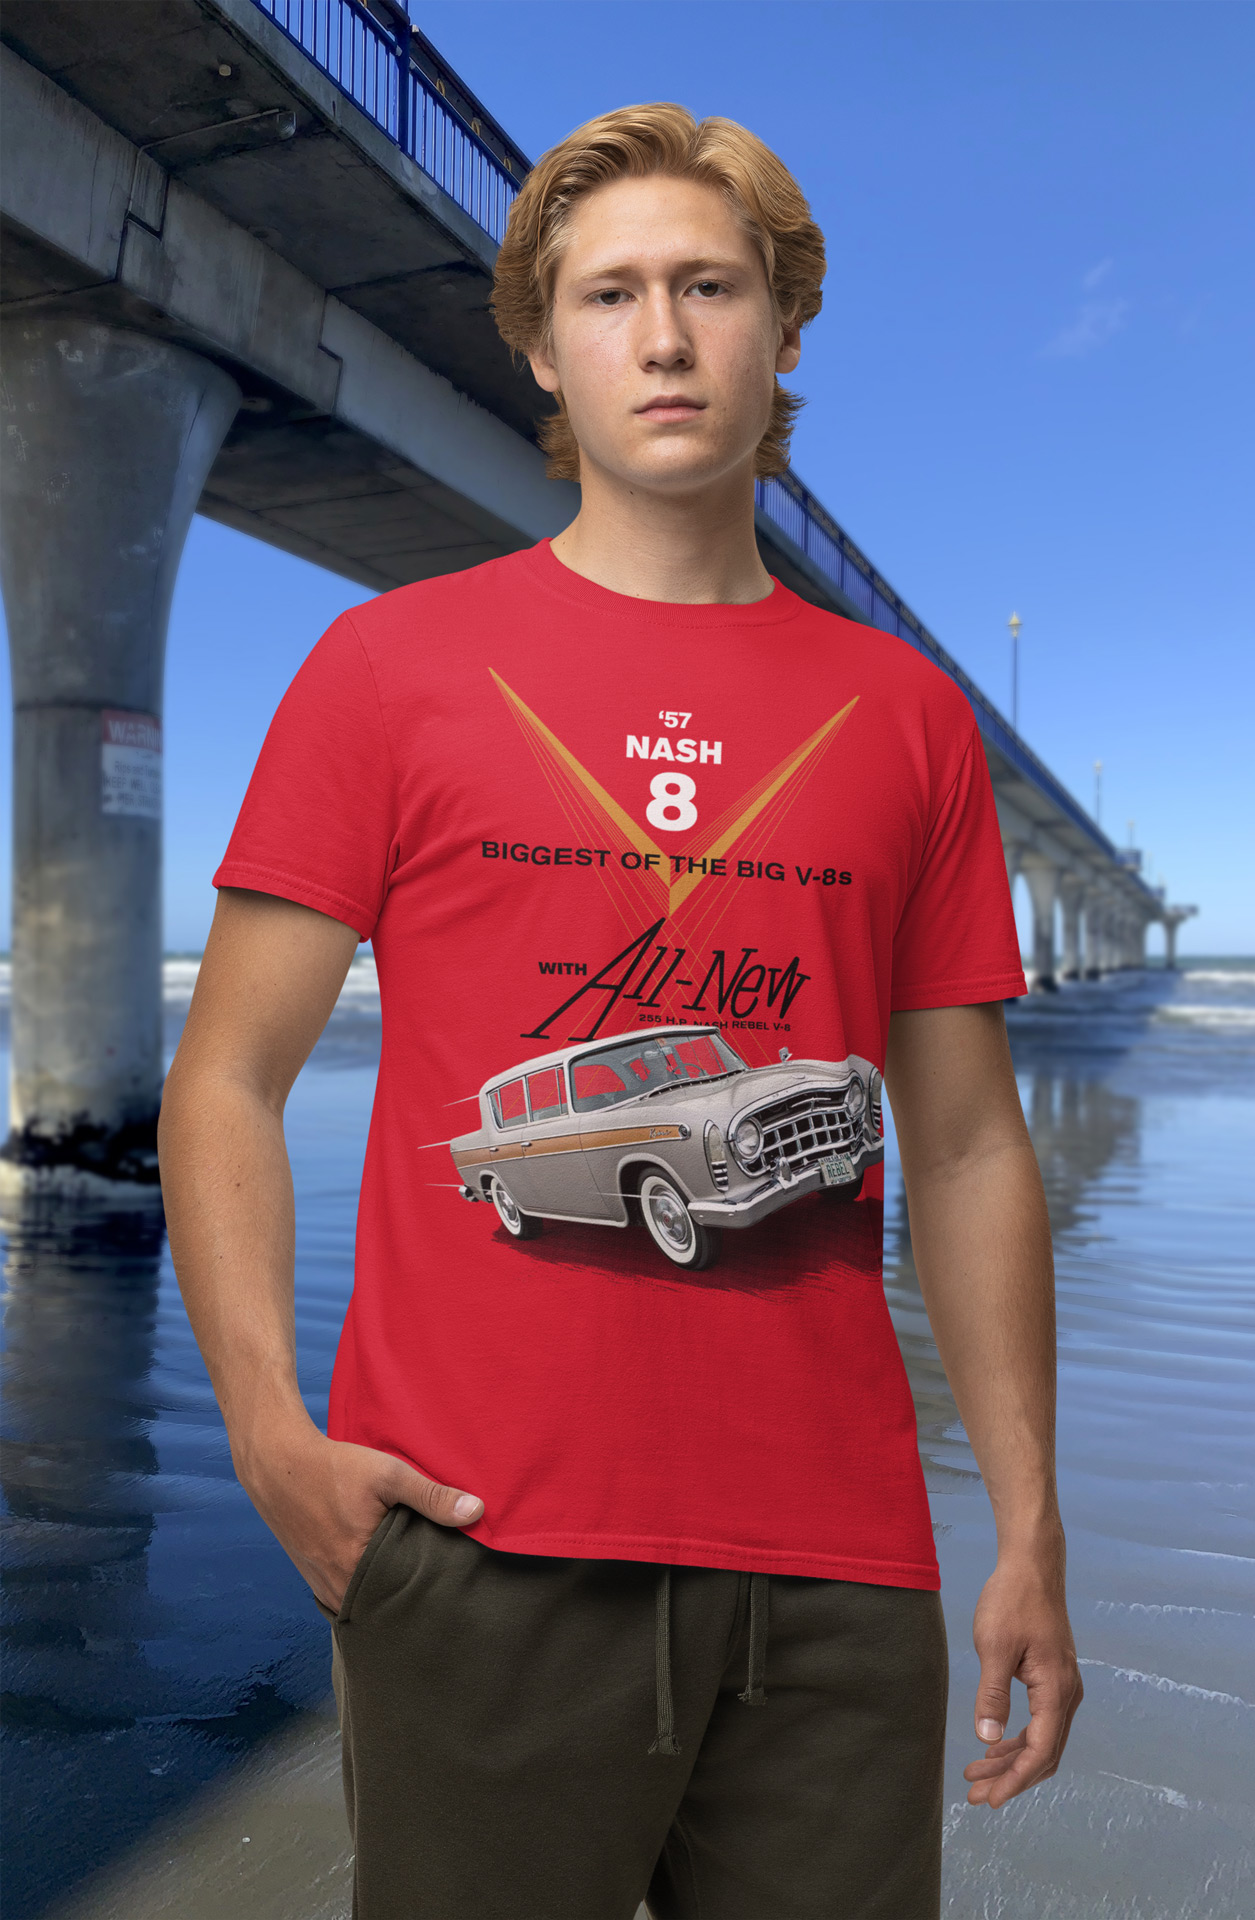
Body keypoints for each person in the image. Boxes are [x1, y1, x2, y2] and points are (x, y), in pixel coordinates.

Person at [159, 102, 1082, 1920]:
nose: (663, 337)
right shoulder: (387, 670)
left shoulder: (903, 720)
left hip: (839, 1577)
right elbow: (230, 1075)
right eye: (610, 296)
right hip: (477, 1554)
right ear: (543, 350)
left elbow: (968, 1142)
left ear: (782, 330)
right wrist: (269, 1428)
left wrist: (1031, 1525)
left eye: (709, 287)